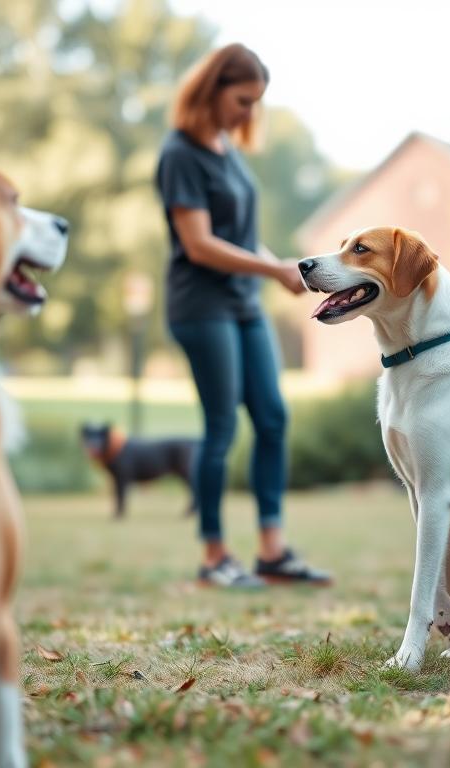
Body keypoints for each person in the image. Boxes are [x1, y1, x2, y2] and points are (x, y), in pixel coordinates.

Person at [154, 43, 331, 589]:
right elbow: (200, 244)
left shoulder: (226, 149)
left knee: (273, 417)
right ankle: (214, 556)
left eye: (257, 103)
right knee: (222, 427)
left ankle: (272, 552)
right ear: (212, 89)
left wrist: (279, 268)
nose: (249, 113)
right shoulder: (180, 153)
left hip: (243, 304)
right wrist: (273, 269)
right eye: (243, 99)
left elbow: (239, 234)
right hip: (201, 306)